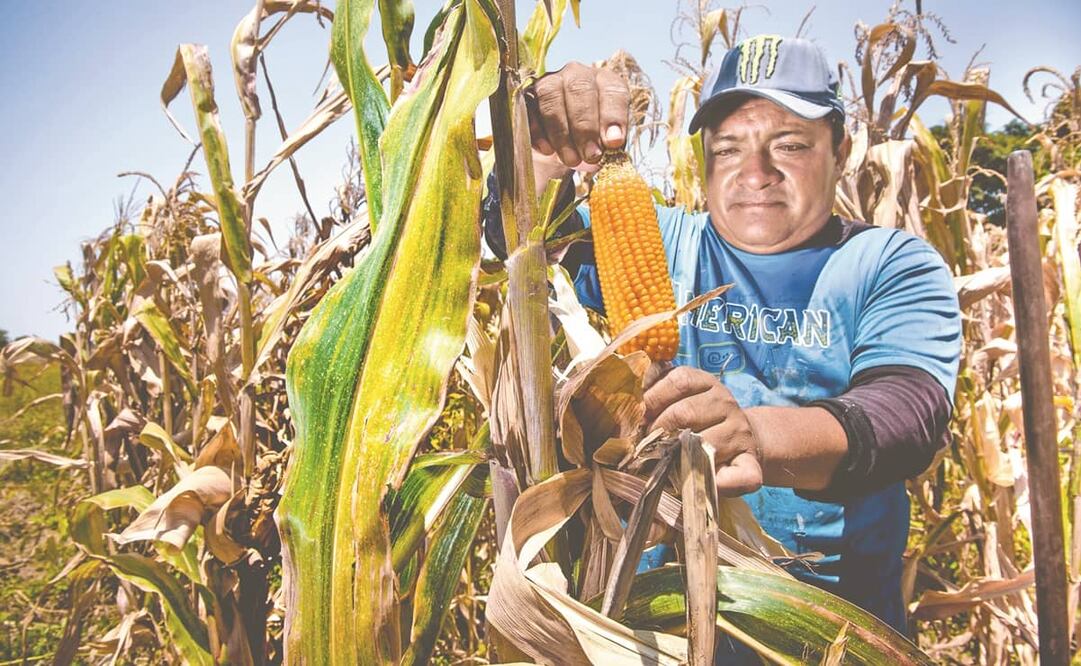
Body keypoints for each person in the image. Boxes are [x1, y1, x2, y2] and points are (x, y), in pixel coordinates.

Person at [485, 34, 961, 639]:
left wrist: (756, 436)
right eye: (729, 147)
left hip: (832, 631)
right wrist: (537, 148)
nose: (755, 174)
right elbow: (519, 238)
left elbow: (905, 415)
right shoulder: (662, 237)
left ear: (840, 150)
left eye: (788, 144)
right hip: (671, 627)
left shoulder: (889, 263)